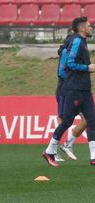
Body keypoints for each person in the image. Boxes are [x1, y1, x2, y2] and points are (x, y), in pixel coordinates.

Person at [43, 16, 95, 167]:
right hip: (74, 89)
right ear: (82, 28)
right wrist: (87, 68)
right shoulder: (77, 41)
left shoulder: (82, 42)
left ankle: (93, 157)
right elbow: (69, 63)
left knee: (92, 121)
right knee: (66, 121)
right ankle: (50, 150)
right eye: (89, 25)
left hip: (84, 90)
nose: (91, 28)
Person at [55, 28, 87, 161]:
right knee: (64, 121)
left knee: (88, 119)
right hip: (65, 90)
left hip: (77, 90)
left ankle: (67, 144)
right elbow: (62, 73)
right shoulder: (65, 52)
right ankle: (53, 150)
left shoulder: (75, 52)